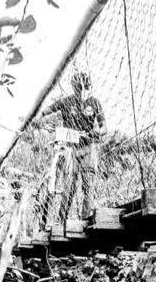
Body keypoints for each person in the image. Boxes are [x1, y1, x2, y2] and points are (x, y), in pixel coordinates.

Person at [34, 71, 105, 223]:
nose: (82, 90)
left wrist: (92, 133)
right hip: (70, 149)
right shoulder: (66, 102)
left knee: (88, 185)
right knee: (68, 187)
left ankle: (86, 220)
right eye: (78, 87)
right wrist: (38, 119)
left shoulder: (94, 103)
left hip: (88, 148)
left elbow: (103, 128)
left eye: (85, 87)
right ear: (74, 87)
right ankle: (62, 221)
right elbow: (46, 111)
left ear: (88, 86)